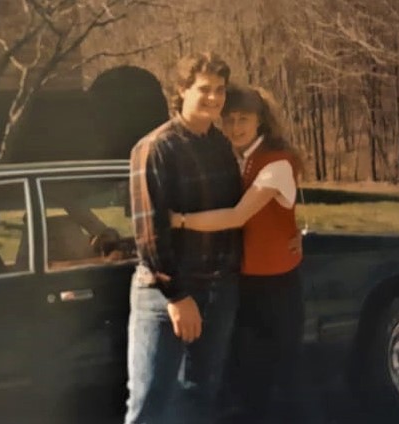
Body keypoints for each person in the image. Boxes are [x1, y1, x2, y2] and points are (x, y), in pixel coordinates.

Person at [170, 84, 304, 423]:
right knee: (245, 380)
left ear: (261, 120)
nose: (234, 127)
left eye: (243, 119)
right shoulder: (230, 157)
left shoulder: (278, 162)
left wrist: (178, 221)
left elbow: (238, 216)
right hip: (239, 282)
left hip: (276, 287)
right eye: (228, 119)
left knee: (281, 381)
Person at [125, 52, 243, 424]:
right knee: (150, 403)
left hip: (219, 290)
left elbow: (230, 215)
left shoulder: (221, 146)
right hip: (165, 297)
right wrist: (177, 297)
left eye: (220, 90)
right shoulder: (156, 147)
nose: (214, 98)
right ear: (182, 91)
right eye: (204, 89)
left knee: (199, 398)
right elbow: (149, 233)